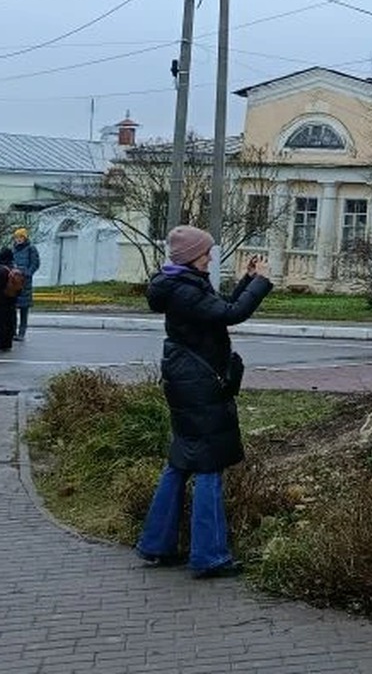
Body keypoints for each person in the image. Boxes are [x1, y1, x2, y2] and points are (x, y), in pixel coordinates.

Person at [136, 225, 272, 579]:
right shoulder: (185, 290)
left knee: (181, 460)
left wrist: (246, 280)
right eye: (206, 252)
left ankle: (156, 543)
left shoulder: (182, 284)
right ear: (192, 256)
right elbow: (231, 315)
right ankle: (210, 555)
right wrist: (261, 284)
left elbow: (220, 308)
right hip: (198, 383)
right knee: (209, 465)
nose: (210, 257)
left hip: (186, 378)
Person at [10, 228, 40, 341]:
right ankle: (12, 331)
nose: (18, 239)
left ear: (25, 237)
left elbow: (35, 263)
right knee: (12, 308)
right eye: (17, 237)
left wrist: (27, 273)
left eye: (21, 237)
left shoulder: (31, 249)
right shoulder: (13, 249)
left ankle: (21, 333)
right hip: (13, 281)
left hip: (25, 282)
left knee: (24, 309)